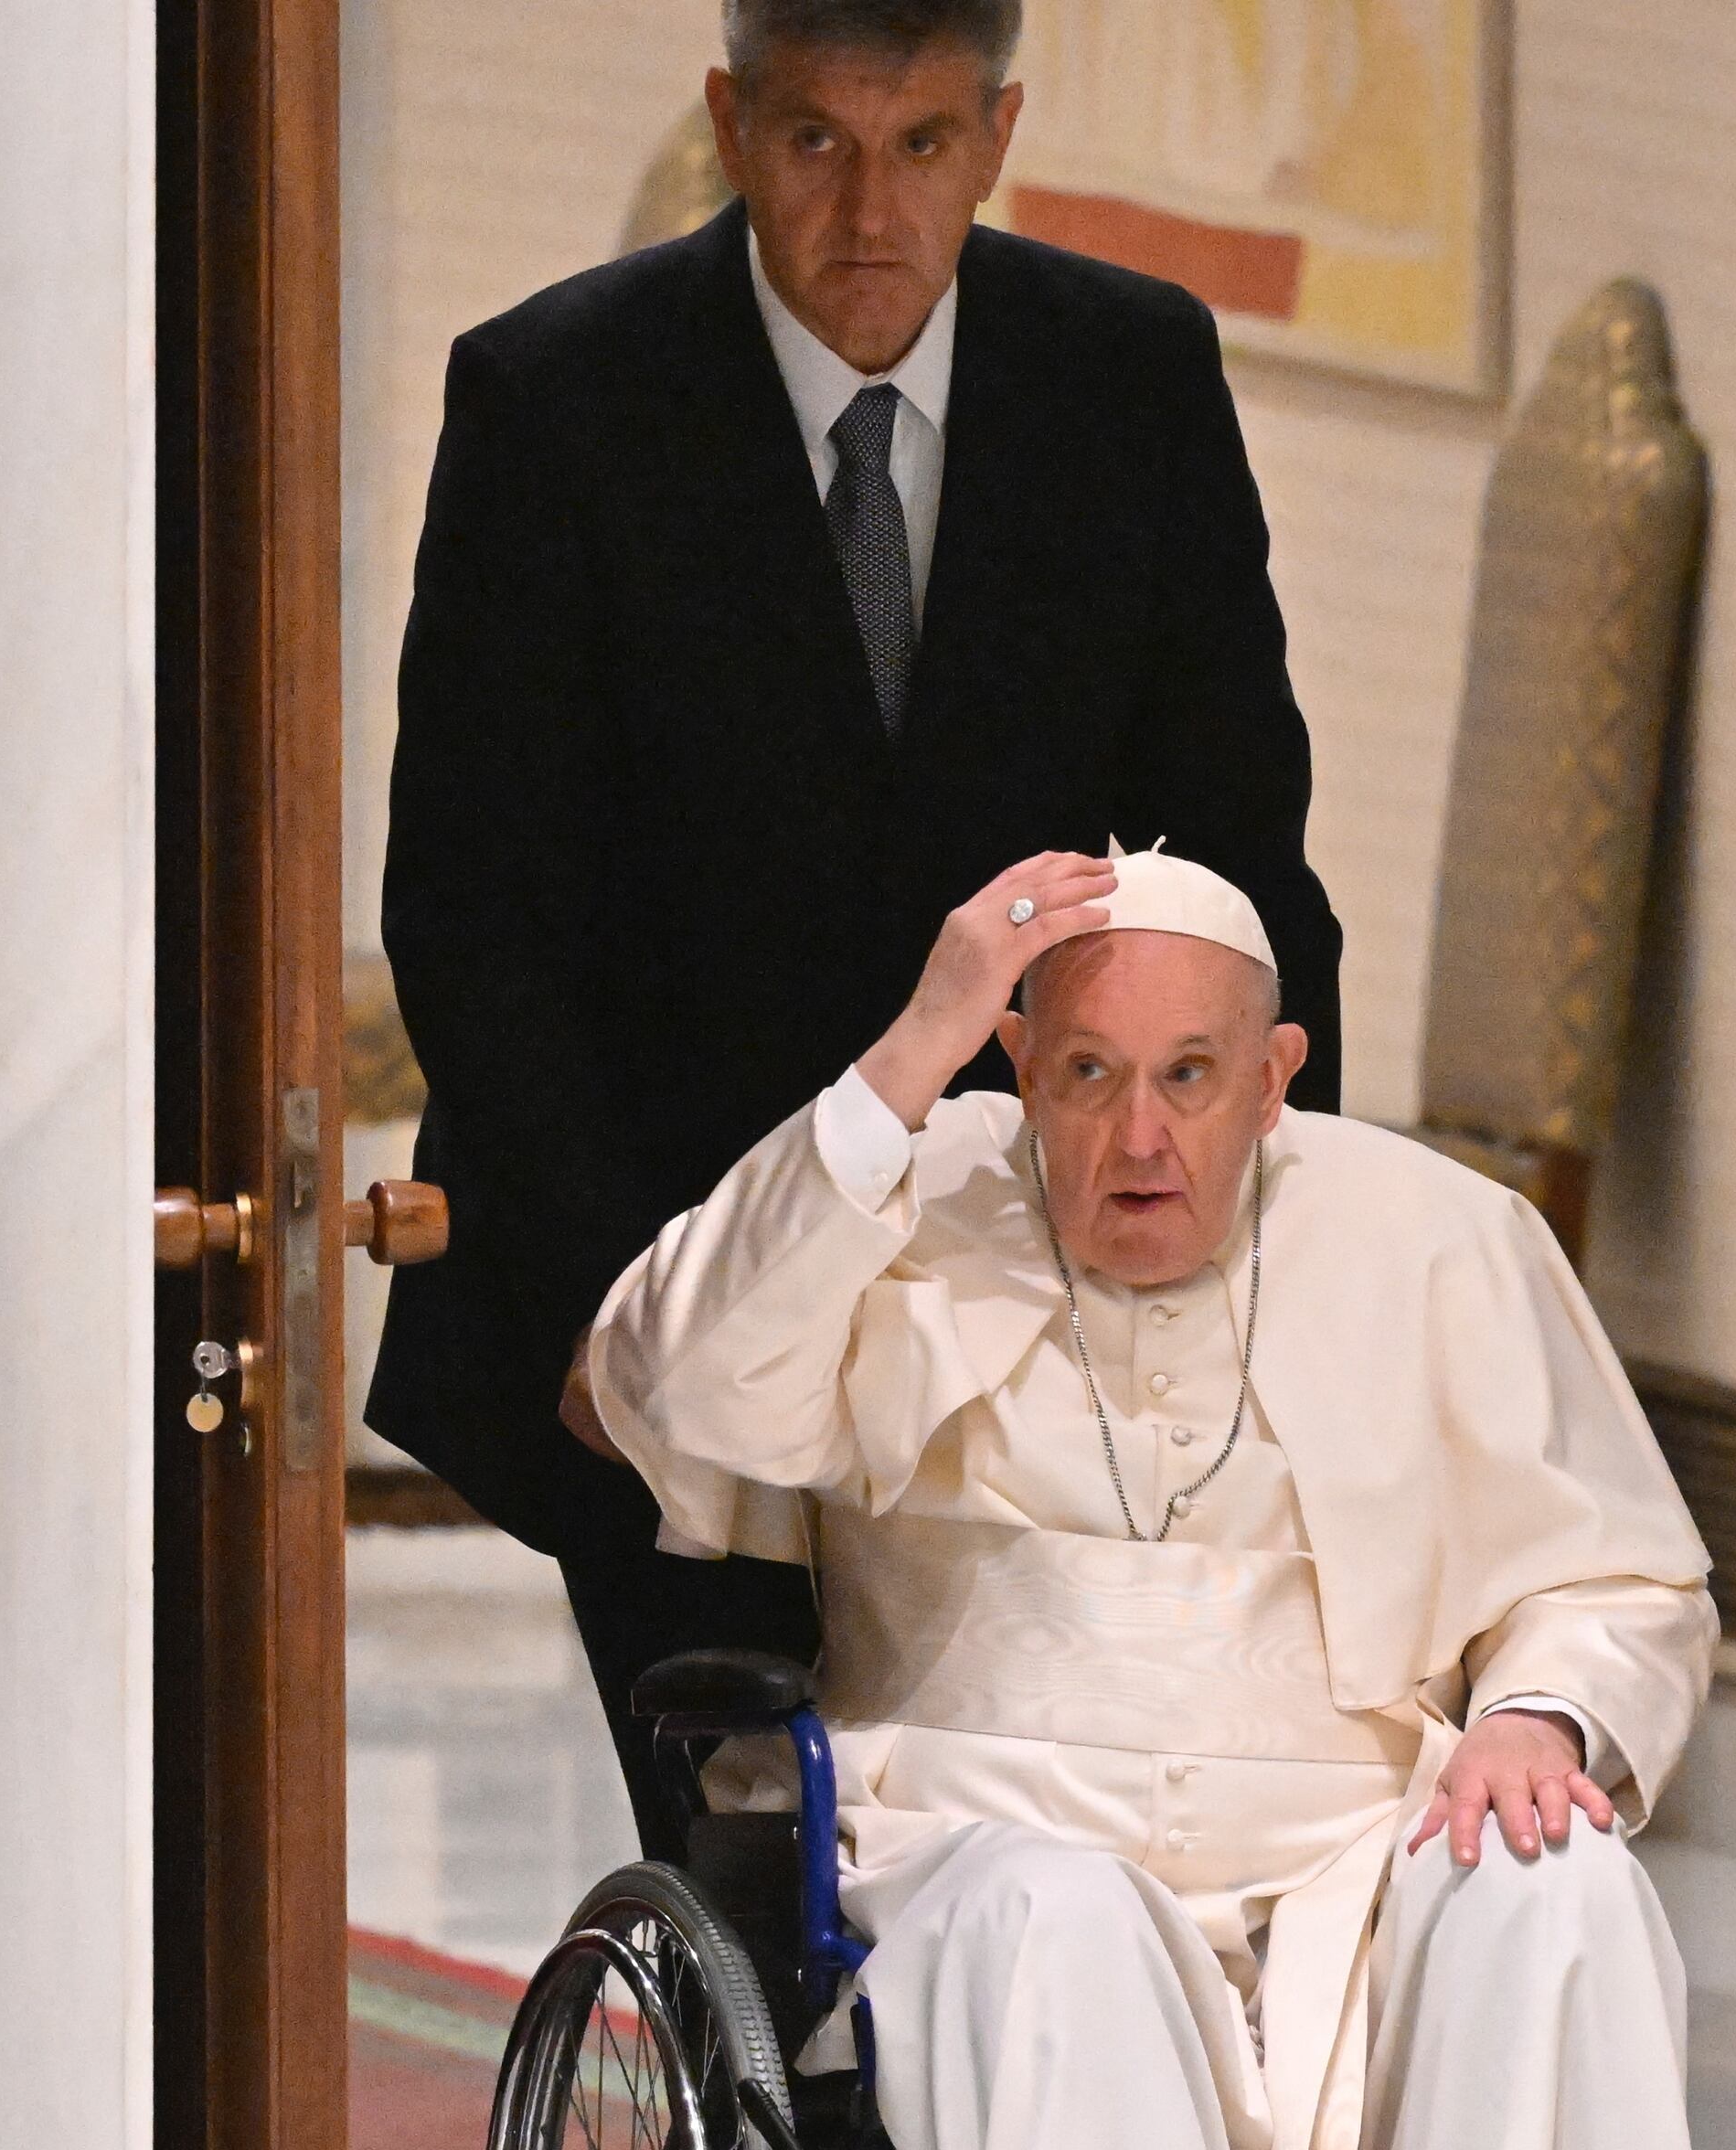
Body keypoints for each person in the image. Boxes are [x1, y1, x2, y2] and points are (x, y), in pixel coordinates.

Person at [586, 846, 1736, 2150]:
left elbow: (1619, 1576)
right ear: (1016, 1072)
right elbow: (675, 1381)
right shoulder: (903, 1208)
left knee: (1557, 1887)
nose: (1140, 1137)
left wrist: (1539, 1715)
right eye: (1081, 1077)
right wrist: (911, 1055)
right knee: (1066, 1917)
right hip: (991, 1829)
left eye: (1191, 1077)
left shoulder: (1437, 1243)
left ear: (1278, 1071)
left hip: (1355, 1848)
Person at [369, 0, 1346, 1841]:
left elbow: (1246, 866)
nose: (869, 215)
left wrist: (1258, 1244)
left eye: (919, 147)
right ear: (733, 126)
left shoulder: (1128, 380)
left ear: (997, 137)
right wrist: (616, 1327)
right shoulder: (556, 405)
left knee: (1036, 1862)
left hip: (1030, 1291)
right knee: (759, 1862)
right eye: (817, 143)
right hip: (668, 1283)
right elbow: (479, 916)